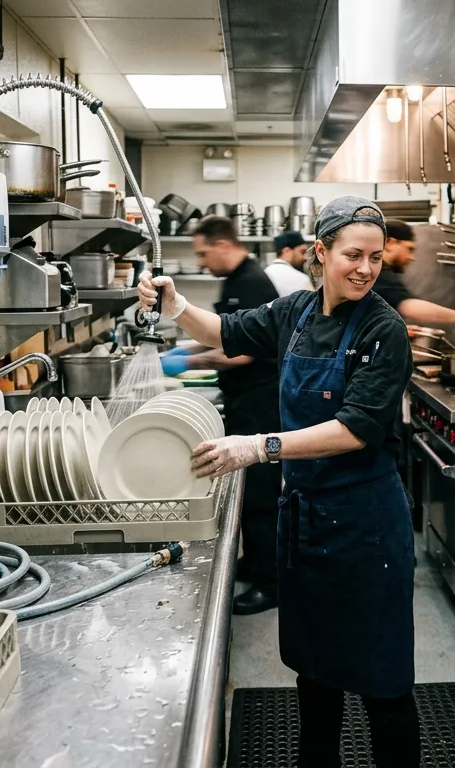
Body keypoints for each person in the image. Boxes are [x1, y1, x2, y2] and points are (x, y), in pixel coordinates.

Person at [137, 197, 420, 767]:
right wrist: (177, 306)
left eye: (374, 257)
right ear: (322, 254)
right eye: (352, 255)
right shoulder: (295, 312)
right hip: (308, 522)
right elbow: (227, 331)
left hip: (366, 528)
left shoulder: (384, 330)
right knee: (315, 674)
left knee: (382, 678)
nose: (365, 268)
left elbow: (356, 428)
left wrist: (258, 447)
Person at [159, 215, 284, 615]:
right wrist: (190, 354)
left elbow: (245, 350)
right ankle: (255, 563)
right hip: (245, 400)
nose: (200, 261)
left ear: (224, 244)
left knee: (261, 495)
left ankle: (270, 584)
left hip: (261, 403)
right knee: (245, 493)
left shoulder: (251, 282)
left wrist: (187, 359)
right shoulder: (235, 280)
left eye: (203, 253)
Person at [373, 219, 455, 340]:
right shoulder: (377, 272)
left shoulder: (378, 270)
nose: (412, 257)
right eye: (409, 249)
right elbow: (411, 306)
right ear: (390, 243)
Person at [265, 230, 315, 296]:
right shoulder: (301, 279)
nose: (305, 258)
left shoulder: (265, 274)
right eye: (302, 252)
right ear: (287, 251)